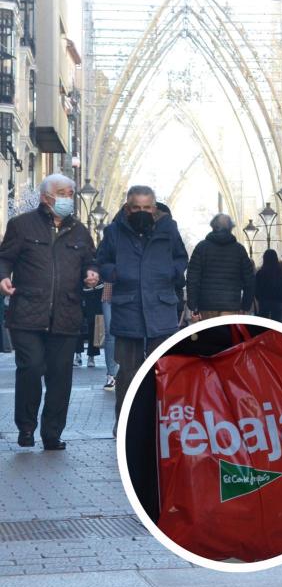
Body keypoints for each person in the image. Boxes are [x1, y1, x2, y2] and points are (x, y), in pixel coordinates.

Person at [0, 173, 100, 450]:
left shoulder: (80, 231)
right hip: (28, 312)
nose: (68, 197)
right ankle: (26, 427)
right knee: (31, 367)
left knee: (60, 376)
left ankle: (52, 433)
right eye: (62, 192)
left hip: (66, 315)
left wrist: (92, 273)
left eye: (70, 193)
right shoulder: (21, 225)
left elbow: (92, 261)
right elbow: (4, 257)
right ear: (46, 197)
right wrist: (3, 277)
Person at [97, 186, 188, 437]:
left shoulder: (168, 229)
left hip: (161, 309)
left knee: (164, 370)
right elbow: (101, 260)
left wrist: (172, 273)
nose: (142, 212)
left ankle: (164, 426)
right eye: (136, 207)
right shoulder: (114, 231)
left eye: (147, 207)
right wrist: (113, 273)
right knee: (127, 373)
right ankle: (125, 423)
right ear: (128, 208)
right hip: (128, 310)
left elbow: (182, 258)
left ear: (154, 207)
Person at [186, 213, 254, 322]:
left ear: (213, 227)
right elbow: (249, 281)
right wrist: (245, 306)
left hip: (207, 306)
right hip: (231, 306)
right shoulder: (239, 250)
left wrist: (193, 306)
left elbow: (192, 279)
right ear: (231, 228)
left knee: (210, 338)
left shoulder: (201, 248)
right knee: (228, 338)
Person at [255, 249, 282, 322]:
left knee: (263, 325)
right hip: (277, 302)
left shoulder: (260, 273)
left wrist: (260, 298)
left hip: (264, 302)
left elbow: (255, 288)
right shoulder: (281, 273)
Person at [101, 282, 119, 391]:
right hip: (109, 290)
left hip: (131, 290)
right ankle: (112, 375)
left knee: (134, 333)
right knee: (110, 332)